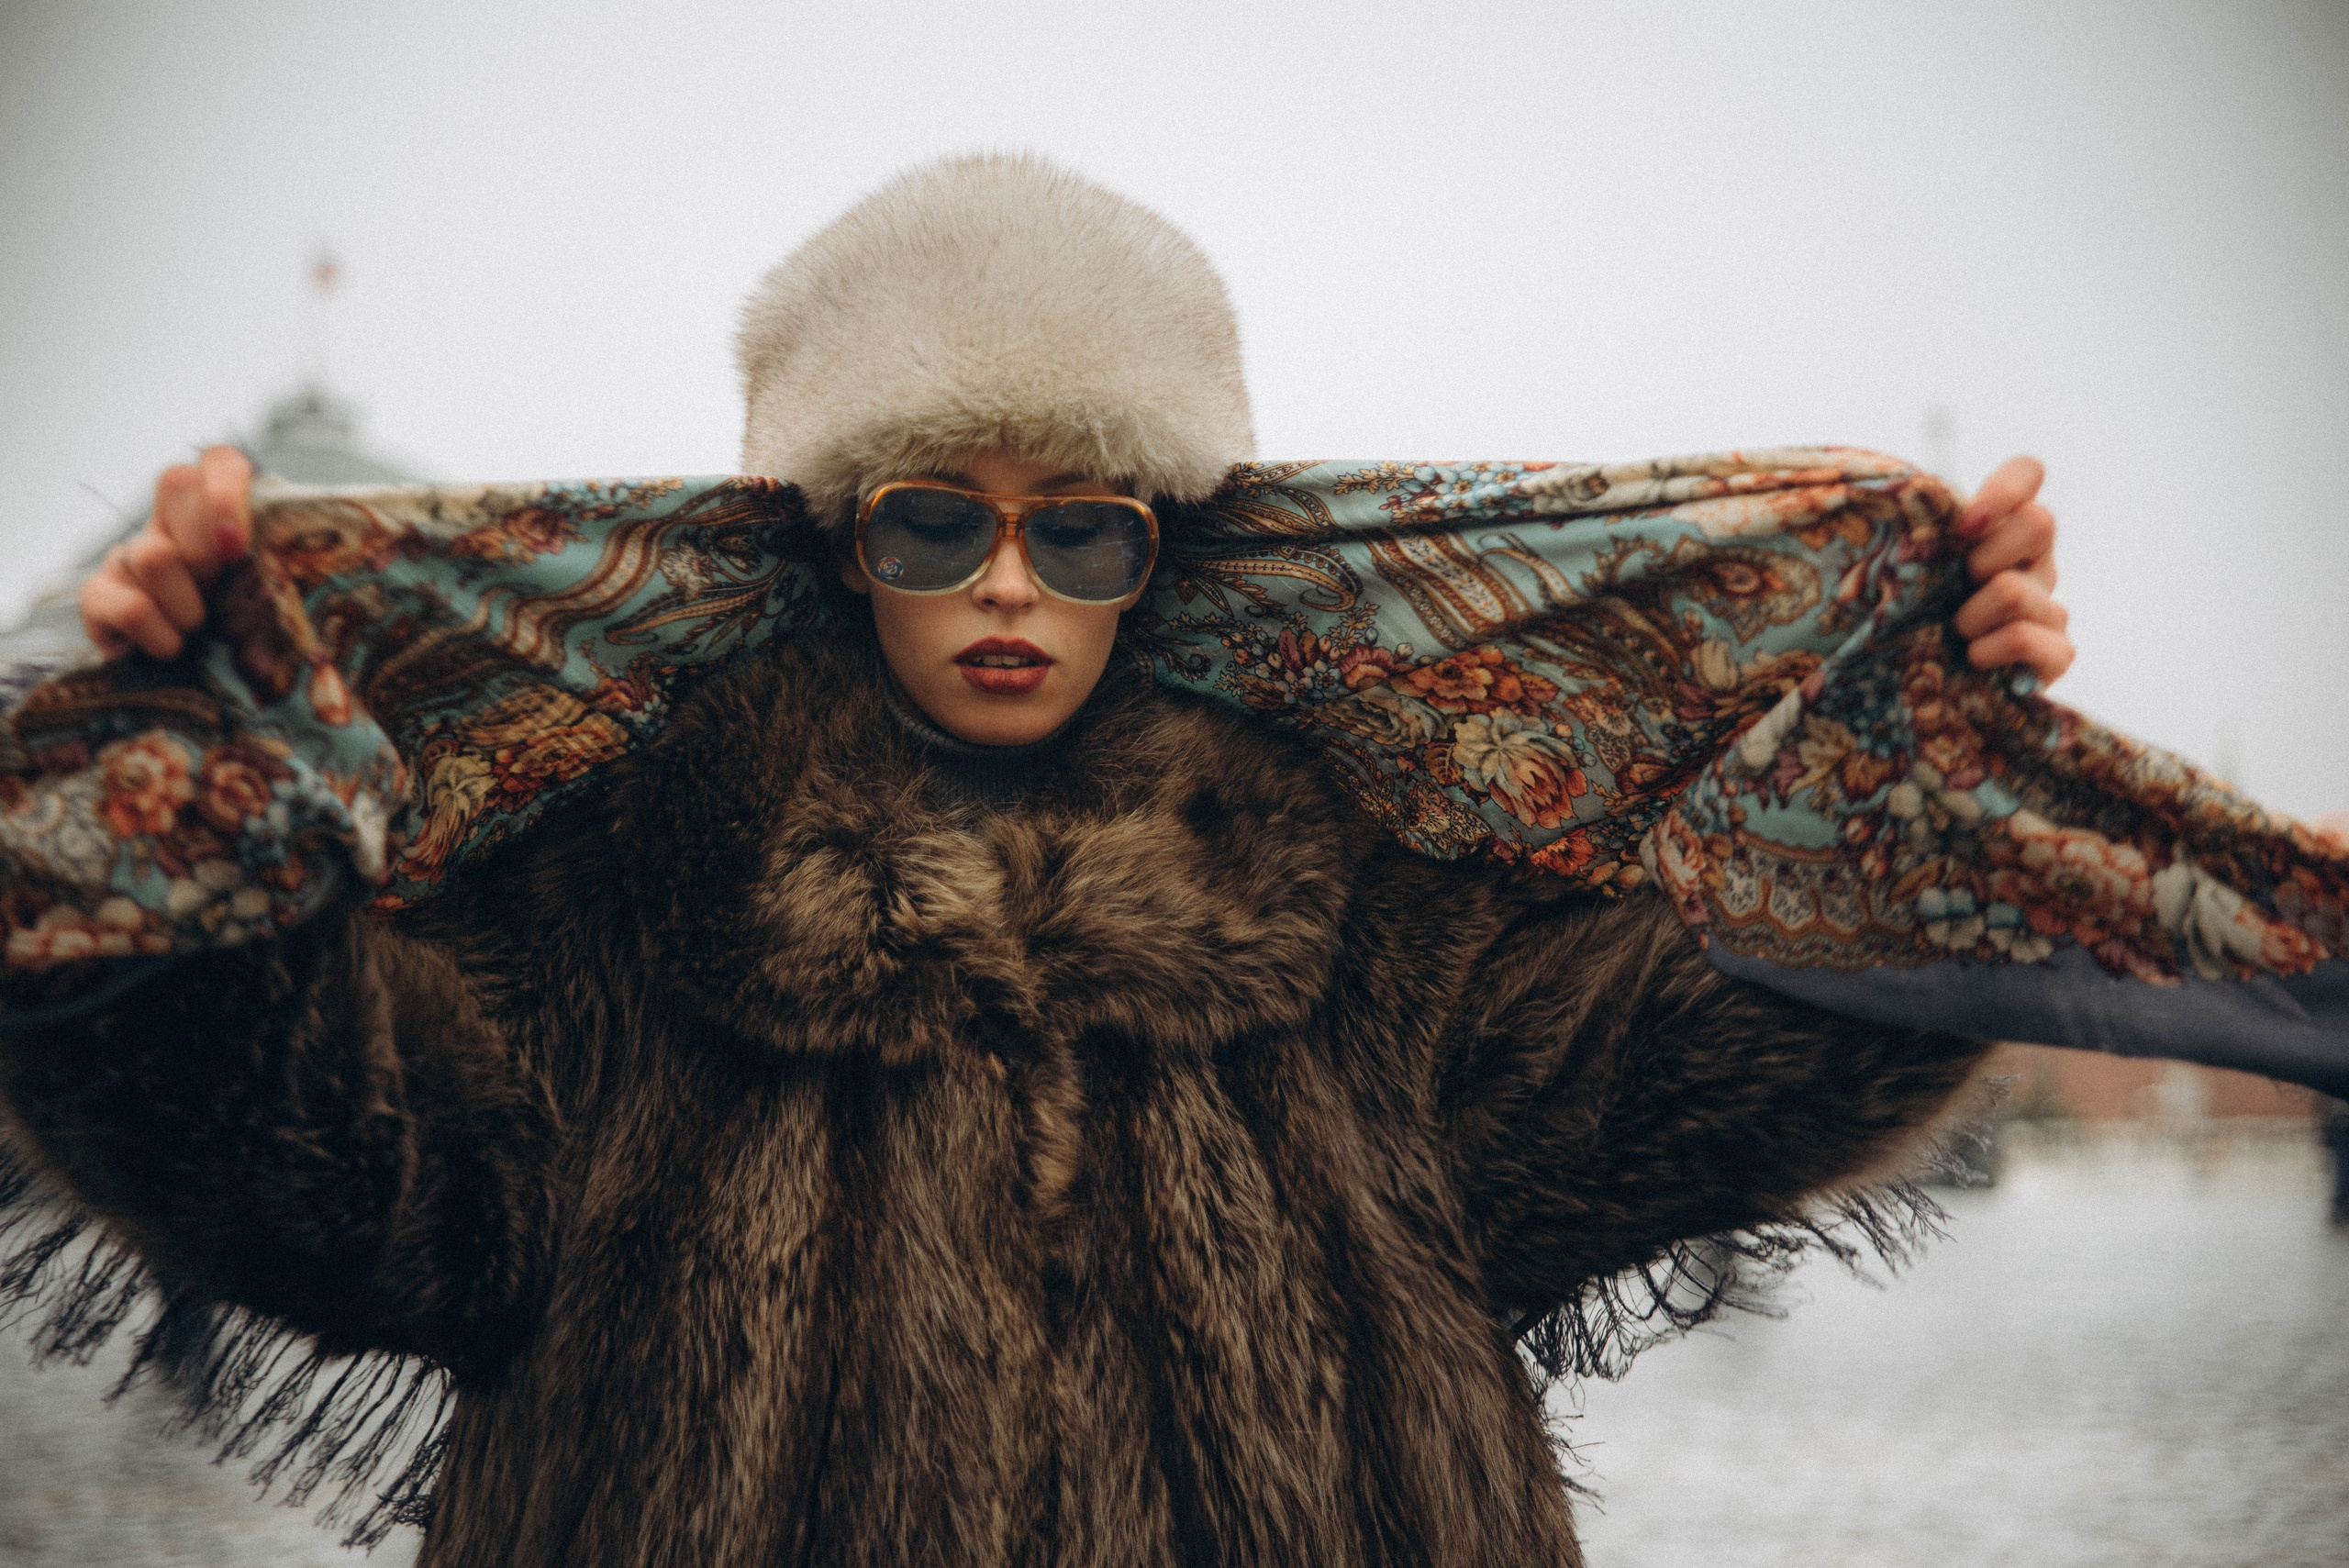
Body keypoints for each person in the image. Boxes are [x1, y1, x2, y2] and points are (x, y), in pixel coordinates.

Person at [15, 155, 2074, 1567]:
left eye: (1081, 524)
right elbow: (317, 1175)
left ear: (1160, 545)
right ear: (828, 531)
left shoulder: (1361, 926)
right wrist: (184, 862)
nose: (1008, 579)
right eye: (934, 517)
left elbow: (1710, 1070)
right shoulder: (609, 915)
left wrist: (1924, 768)